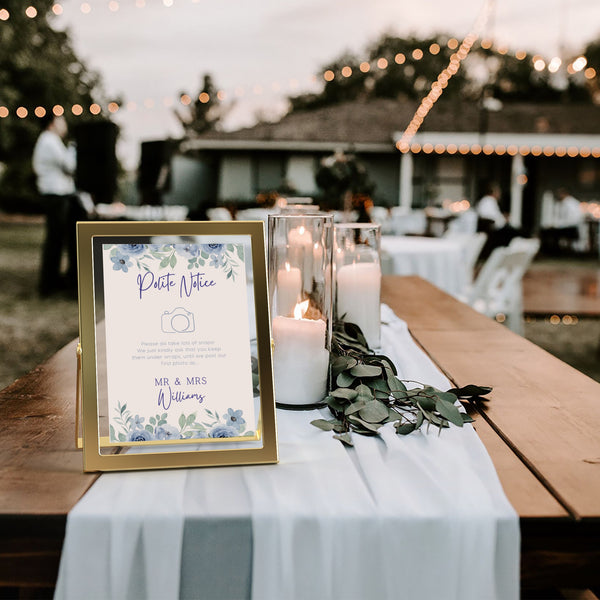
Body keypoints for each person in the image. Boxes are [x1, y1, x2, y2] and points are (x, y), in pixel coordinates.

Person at [32, 113, 85, 296]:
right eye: (61, 120)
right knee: (55, 240)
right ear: (52, 123)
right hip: (55, 196)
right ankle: (48, 284)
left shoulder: (49, 141)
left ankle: (52, 281)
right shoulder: (50, 141)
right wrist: (74, 149)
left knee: (56, 239)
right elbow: (70, 166)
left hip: (57, 195)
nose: (65, 124)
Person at [476, 182, 520, 258]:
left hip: (491, 227)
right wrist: (504, 219)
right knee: (513, 231)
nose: (499, 194)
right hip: (492, 229)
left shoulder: (485, 201)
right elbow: (493, 217)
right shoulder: (489, 201)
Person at [540, 187, 584, 256]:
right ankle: (552, 251)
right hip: (565, 226)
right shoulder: (562, 203)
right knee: (546, 231)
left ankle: (554, 252)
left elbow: (571, 220)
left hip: (570, 228)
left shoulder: (571, 203)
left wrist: (556, 225)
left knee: (549, 233)